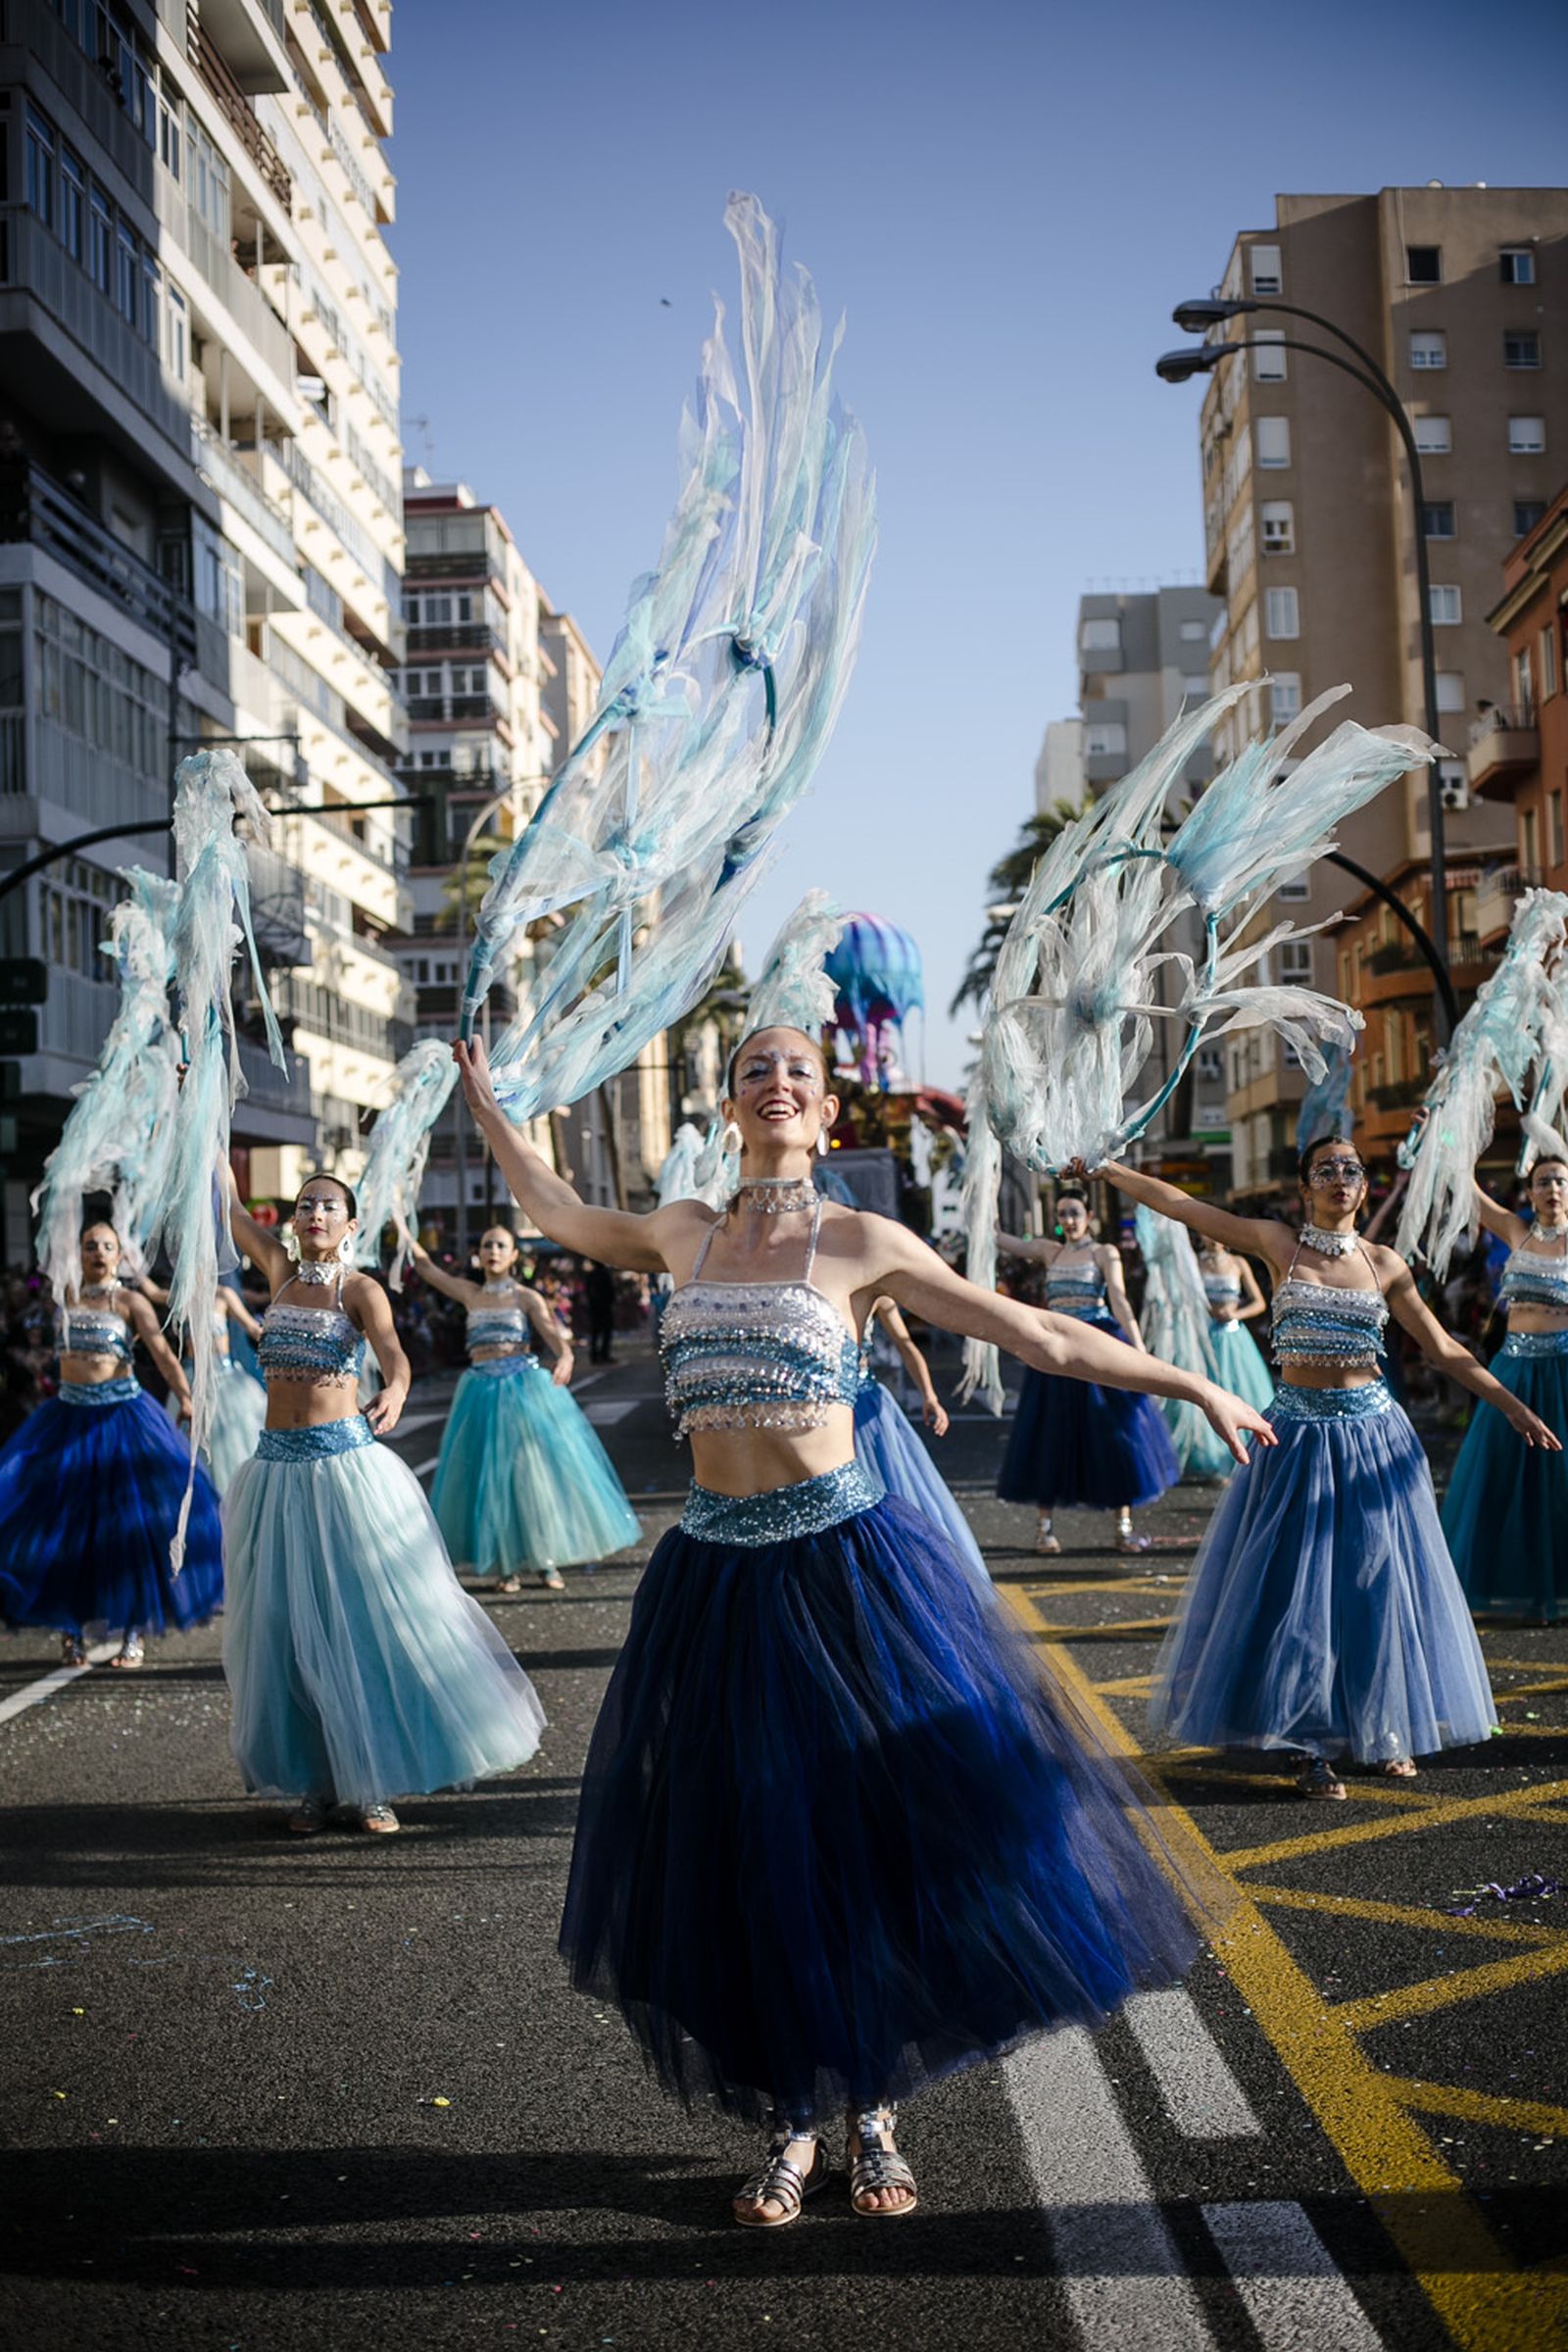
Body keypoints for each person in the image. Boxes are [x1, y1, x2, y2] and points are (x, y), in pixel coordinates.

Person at [455, 1024, 1273, 2229]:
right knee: (750, 1850)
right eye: (753, 1070)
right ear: (728, 1105)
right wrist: (483, 1104)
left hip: (845, 1574)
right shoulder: (682, 1232)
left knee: (868, 1846)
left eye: (796, 1071)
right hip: (716, 1583)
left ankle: (872, 2108)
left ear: (826, 1113)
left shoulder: (863, 1244)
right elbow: (556, 1204)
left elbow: (1039, 1332)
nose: (775, 1084)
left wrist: (1195, 1384)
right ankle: (791, 2115)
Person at [1096, 1139, 1558, 1799]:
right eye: (1326, 1170)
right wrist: (1109, 1169)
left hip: (1375, 1439)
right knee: (1295, 1594)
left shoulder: (1383, 1263)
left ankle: (1384, 1729)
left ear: (1365, 1188)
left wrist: (1511, 1406)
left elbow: (1444, 1349)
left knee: (1376, 1588)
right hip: (1294, 1438)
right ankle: (1308, 1744)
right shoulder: (1278, 1245)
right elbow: (1182, 1205)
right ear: (1306, 1188)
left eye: (1351, 1170)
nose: (1341, 1178)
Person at [220, 1173, 545, 1838]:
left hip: (343, 1471)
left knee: (357, 1626)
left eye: (328, 1206)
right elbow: (226, 1205)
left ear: (349, 1223)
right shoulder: (279, 1272)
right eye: (305, 1204)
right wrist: (204, 1103)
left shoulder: (359, 1289)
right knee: (284, 1630)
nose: (314, 1212)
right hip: (276, 1474)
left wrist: (395, 1390)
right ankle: (314, 1784)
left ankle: (372, 1783)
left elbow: (393, 1356)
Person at [0, 1221, 221, 1668]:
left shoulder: (130, 1302)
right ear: (79, 1253)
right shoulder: (65, 1297)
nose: (98, 1253)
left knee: (126, 1531)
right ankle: (70, 1632)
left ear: (120, 1255)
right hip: (67, 1421)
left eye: (107, 1246)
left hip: (121, 1420)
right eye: (90, 1246)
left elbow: (160, 1352)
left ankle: (133, 1633)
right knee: (63, 1531)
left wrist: (184, 1396)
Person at [411, 1226, 640, 1592]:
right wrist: (399, 1218)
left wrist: (565, 1359)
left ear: (514, 1255)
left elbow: (555, 1339)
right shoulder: (470, 1293)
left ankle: (545, 1560)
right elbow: (425, 1268)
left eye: (501, 1245)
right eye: (487, 1245)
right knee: (492, 1477)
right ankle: (507, 1565)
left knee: (532, 1477)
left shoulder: (526, 1297)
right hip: (481, 1389)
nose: (494, 1251)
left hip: (522, 1388)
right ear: (479, 1254)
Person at [994, 1189, 1180, 1555]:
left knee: (1114, 1433)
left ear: (1089, 1214)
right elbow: (1000, 1240)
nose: (1068, 1221)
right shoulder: (1051, 1251)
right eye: (1062, 1214)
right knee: (1047, 1434)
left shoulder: (1103, 1252)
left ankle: (1123, 1527)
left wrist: (1140, 1352)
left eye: (1075, 1213)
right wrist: (985, 1188)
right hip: (1055, 1352)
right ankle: (1044, 1529)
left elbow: (1119, 1298)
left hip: (1098, 1347)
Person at [1441, 1148, 1568, 1622]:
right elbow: (1464, 1188)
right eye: (1544, 1181)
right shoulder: (1517, 1232)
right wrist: (1448, 1130)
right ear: (1529, 1192)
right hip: (1513, 1372)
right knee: (1499, 1481)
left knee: (1558, 1487)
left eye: (1560, 1180)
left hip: (1562, 1373)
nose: (1553, 1189)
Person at [853, 1294, 990, 1589]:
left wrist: (930, 1396)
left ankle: (887, 1579)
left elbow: (906, 1345)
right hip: (815, 1412)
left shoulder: (875, 1292)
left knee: (882, 1492)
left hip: (864, 1407)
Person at [584, 1257, 617, 1364]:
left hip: (595, 1308)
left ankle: (595, 1355)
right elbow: (610, 1292)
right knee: (604, 1333)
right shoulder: (604, 1275)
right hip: (603, 1308)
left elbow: (588, 1293)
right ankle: (603, 1355)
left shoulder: (591, 1276)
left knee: (596, 1333)